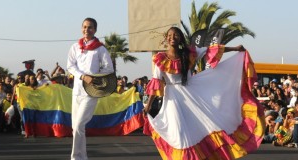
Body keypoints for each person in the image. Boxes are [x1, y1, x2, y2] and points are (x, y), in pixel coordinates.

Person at [143, 27, 263, 159]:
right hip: (173, 100)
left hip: (191, 95)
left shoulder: (189, 53)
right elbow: (156, 83)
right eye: (170, 35)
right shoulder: (160, 58)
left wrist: (235, 49)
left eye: (176, 35)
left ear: (180, 38)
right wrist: (148, 105)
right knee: (179, 133)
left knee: (203, 126)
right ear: (166, 38)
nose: (173, 37)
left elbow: (210, 49)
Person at [67, 17, 114, 160]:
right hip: (77, 91)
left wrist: (95, 77)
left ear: (95, 30)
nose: (87, 30)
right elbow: (70, 66)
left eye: (90, 27)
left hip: (91, 92)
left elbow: (109, 68)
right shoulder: (75, 47)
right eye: (85, 27)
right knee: (76, 128)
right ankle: (83, 157)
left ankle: (75, 157)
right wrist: (82, 76)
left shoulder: (100, 48)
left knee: (80, 124)